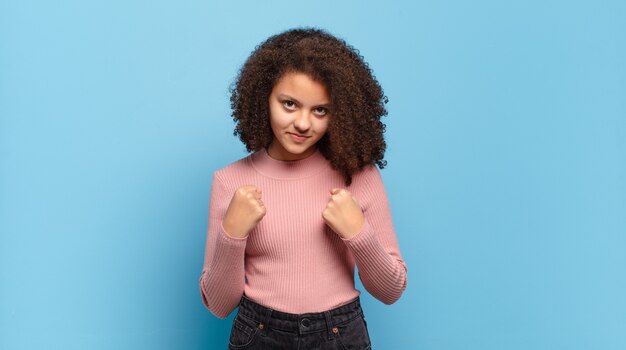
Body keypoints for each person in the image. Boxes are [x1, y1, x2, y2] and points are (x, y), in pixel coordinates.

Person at [199, 27, 408, 349]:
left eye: (320, 110)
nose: (303, 124)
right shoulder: (230, 181)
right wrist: (232, 233)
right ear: (263, 98)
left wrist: (358, 233)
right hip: (259, 333)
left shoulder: (359, 176)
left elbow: (391, 291)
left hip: (340, 334)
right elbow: (219, 305)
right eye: (290, 104)